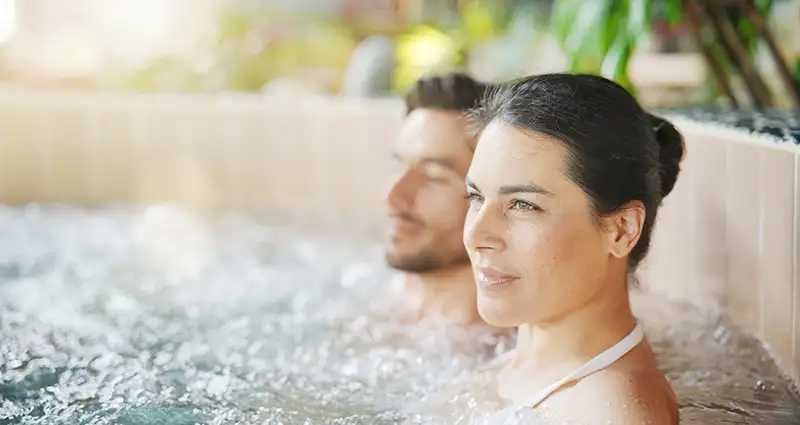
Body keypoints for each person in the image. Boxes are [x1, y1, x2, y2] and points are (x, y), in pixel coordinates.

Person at [463, 74, 682, 424]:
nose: (476, 234)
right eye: (476, 197)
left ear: (622, 230)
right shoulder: (515, 364)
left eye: (522, 204)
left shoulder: (608, 410)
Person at [384, 72, 491, 326]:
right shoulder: (396, 294)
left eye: (434, 176)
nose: (393, 197)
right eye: (398, 166)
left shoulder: (497, 350)